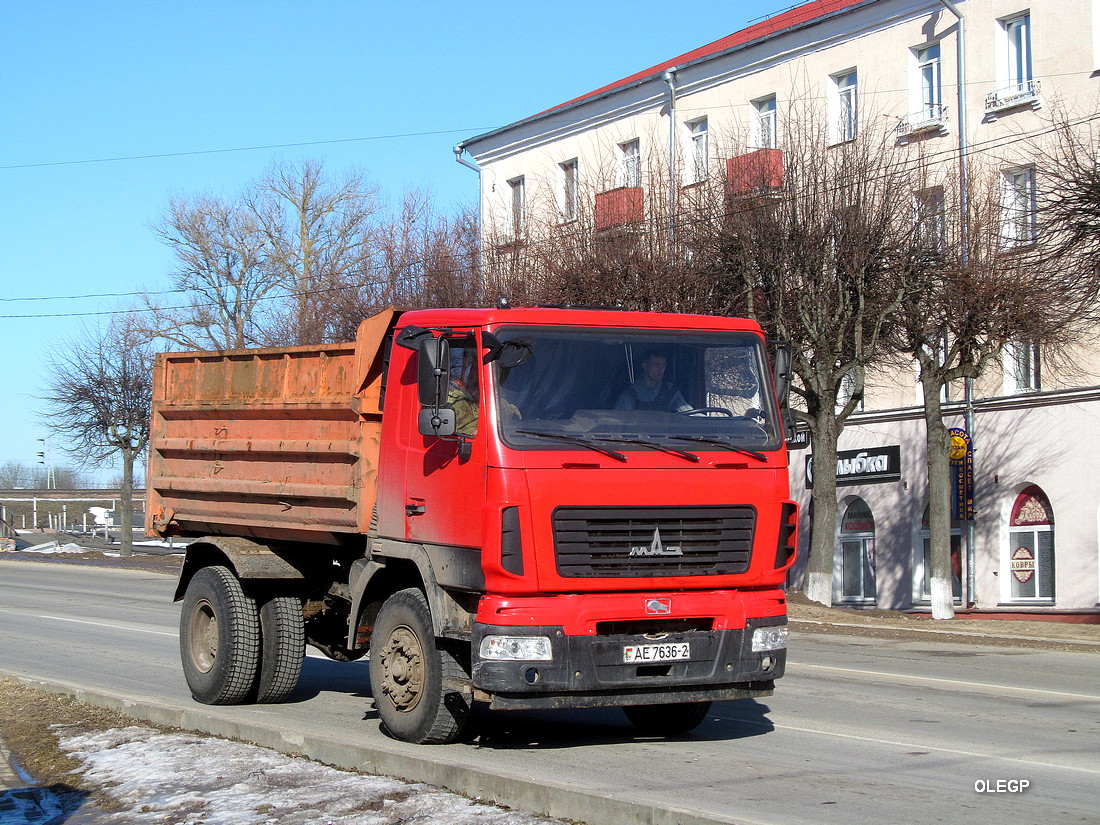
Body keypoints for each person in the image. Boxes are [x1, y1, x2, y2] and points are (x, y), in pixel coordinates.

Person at [613, 351, 692, 412]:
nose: (660, 369)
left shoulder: (670, 390)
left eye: (663, 365)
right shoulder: (631, 394)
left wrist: (703, 422)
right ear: (645, 365)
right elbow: (619, 424)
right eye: (656, 364)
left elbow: (688, 412)